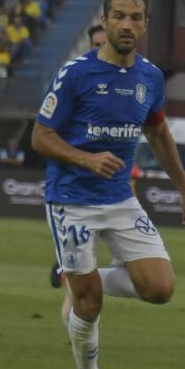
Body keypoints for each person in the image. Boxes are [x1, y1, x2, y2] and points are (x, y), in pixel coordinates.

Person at [31, 0, 185, 369]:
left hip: (120, 199)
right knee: (90, 306)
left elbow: (159, 134)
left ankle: (78, 280)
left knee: (161, 289)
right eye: (120, 16)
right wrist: (86, 159)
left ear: (145, 24)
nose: (127, 24)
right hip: (71, 201)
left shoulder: (150, 78)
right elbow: (39, 136)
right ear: (104, 20)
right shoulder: (76, 73)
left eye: (136, 17)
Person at [49, 23, 110, 289]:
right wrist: (83, 158)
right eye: (95, 45)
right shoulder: (73, 77)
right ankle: (69, 271)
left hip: (109, 190)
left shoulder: (132, 79)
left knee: (151, 279)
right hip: (73, 191)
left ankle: (73, 272)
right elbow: (47, 134)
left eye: (103, 44)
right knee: (78, 290)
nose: (99, 49)